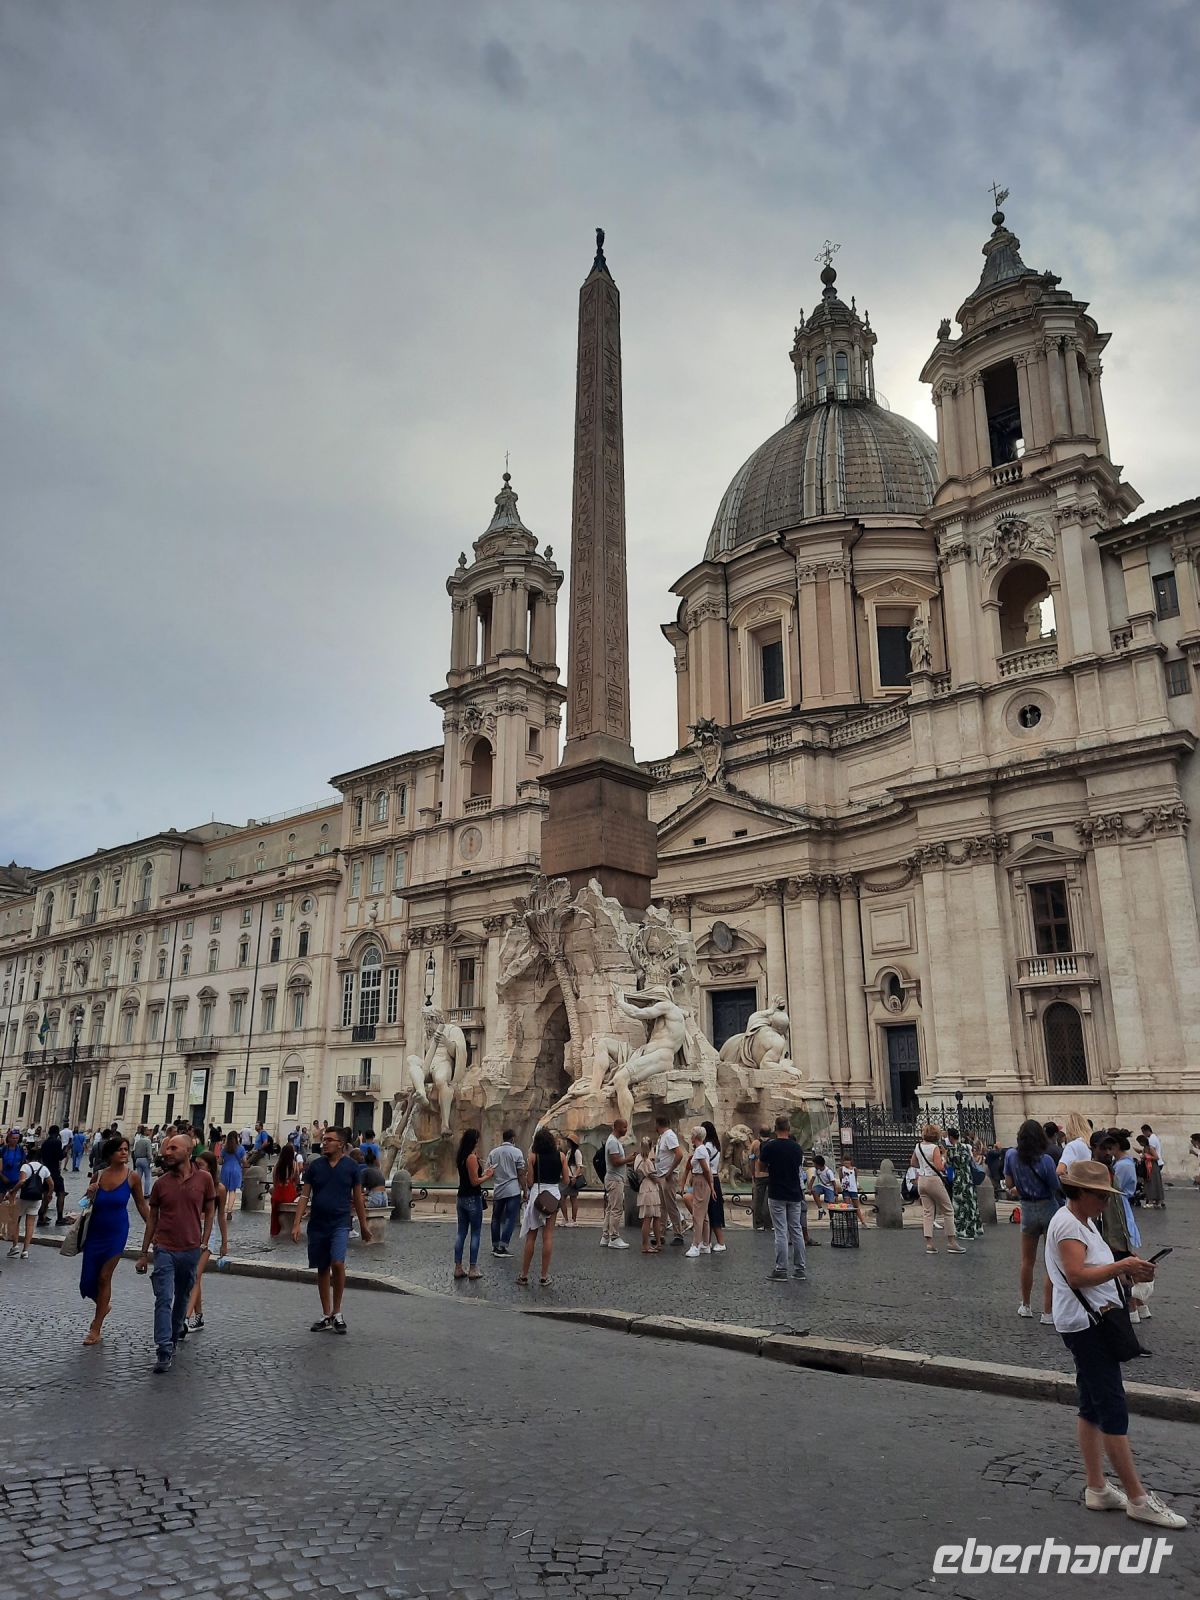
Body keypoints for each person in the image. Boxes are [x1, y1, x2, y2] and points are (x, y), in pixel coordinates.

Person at [1045, 1160, 1185, 1530]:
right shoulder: (1068, 1225)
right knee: (1111, 1406)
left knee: (1091, 1405)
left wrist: (1127, 1268)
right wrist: (1122, 1268)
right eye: (1100, 1196)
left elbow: (1091, 1271)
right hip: (1087, 1326)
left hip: (1087, 1320)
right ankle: (1138, 1498)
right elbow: (1076, 1274)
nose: (1106, 1203)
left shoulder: (1082, 1221)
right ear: (1081, 1192)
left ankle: (1097, 1487)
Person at [134, 1133, 216, 1374]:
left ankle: (173, 1333)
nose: (166, 1152)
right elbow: (152, 1220)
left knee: (181, 1298)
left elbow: (210, 1210)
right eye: (166, 1148)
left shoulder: (204, 1179)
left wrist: (204, 1240)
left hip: (190, 1249)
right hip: (164, 1248)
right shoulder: (161, 1184)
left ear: (188, 1152)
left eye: (172, 1148)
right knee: (163, 1298)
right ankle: (163, 1347)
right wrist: (144, 1252)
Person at [291, 1126, 372, 1333]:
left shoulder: (352, 1167)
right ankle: (326, 1314)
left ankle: (337, 1311)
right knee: (322, 1267)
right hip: (317, 1224)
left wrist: (363, 1225)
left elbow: (357, 1199)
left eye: (329, 1139)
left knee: (338, 1262)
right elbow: (304, 1196)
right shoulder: (315, 1166)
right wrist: (296, 1222)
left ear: (341, 1144)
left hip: (340, 1222)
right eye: (324, 1139)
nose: (324, 1142)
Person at [80, 1135, 151, 1345]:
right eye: (120, 1149)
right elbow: (85, 1203)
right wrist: (89, 1192)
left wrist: (153, 1227)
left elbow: (141, 1204)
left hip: (116, 1232)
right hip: (95, 1232)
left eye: (125, 1149)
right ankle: (104, 1304)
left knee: (104, 1277)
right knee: (87, 1283)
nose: (124, 1152)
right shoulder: (99, 1175)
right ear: (110, 1153)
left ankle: (96, 1327)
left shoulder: (133, 1177)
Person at [1004, 1118, 1060, 1321]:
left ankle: (1026, 1305)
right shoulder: (1046, 1161)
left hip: (1027, 1208)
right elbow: (1055, 1186)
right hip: (1048, 1207)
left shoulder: (1011, 1156)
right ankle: (1048, 1312)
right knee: (1051, 1261)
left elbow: (1009, 1183)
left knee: (1027, 1261)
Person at [183, 1149, 230, 1334]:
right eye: (196, 1164)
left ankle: (185, 1319)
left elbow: (221, 1217)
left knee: (195, 1275)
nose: (196, 1168)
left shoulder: (219, 1189)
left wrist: (224, 1242)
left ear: (210, 1167)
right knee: (195, 1276)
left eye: (201, 1165)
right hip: (191, 1230)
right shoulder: (193, 1183)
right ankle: (199, 1316)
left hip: (209, 1234)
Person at [758, 1115, 808, 1282]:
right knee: (796, 1230)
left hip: (777, 1192)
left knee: (781, 1232)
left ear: (775, 1128)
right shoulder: (797, 1148)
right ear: (788, 1129)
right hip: (795, 1193)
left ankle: (781, 1269)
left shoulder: (770, 1147)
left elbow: (761, 1167)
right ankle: (800, 1269)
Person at [516, 1125, 567, 1288]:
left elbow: (530, 1182)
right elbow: (565, 1181)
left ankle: (524, 1275)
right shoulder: (561, 1156)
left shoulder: (532, 1157)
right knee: (548, 1236)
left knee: (531, 1237)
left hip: (537, 1197)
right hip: (553, 1197)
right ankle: (544, 1276)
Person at [912, 1124, 965, 1257]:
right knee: (948, 1209)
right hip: (933, 1180)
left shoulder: (918, 1146)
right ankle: (951, 1242)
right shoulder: (934, 1147)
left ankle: (929, 1244)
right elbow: (940, 1167)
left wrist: (924, 1166)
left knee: (928, 1212)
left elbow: (913, 1163)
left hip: (922, 1180)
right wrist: (944, 1156)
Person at [453, 1128, 491, 1280]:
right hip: (472, 1199)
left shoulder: (461, 1157)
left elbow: (469, 1178)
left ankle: (458, 1267)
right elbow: (475, 1181)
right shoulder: (471, 1158)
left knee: (461, 1233)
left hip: (461, 1198)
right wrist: (488, 1176)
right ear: (474, 1140)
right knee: (475, 1233)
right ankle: (473, 1268)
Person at [5, 1148, 52, 1260]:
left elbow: (22, 1181)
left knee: (16, 1221)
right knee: (30, 1224)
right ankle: (25, 1251)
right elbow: (51, 1184)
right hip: (36, 1199)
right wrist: (49, 1194)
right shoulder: (44, 1168)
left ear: (28, 1156)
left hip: (23, 1198)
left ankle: (15, 1246)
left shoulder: (25, 1167)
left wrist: (12, 1191)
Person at [487, 1128, 527, 1257]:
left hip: (498, 1189)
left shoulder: (493, 1152)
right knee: (510, 1218)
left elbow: (488, 1170)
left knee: (496, 1218)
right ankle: (503, 1247)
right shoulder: (517, 1152)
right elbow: (521, 1173)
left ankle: (495, 1244)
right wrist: (525, 1190)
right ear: (513, 1138)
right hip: (512, 1190)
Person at [945, 1127, 983, 1241]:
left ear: (950, 1137)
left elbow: (949, 1166)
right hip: (968, 1177)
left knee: (960, 1206)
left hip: (959, 1179)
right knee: (971, 1204)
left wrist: (950, 1179)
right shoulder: (967, 1147)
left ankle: (963, 1231)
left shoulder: (951, 1150)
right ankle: (974, 1230)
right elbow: (971, 1161)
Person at [653, 1115, 686, 1246]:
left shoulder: (670, 1136)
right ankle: (660, 1234)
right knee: (662, 1207)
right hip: (662, 1175)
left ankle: (678, 1234)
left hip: (668, 1176)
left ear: (658, 1124)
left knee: (671, 1205)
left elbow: (679, 1154)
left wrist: (670, 1171)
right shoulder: (662, 1137)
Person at [682, 1128, 713, 1258]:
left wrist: (710, 1184)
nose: (690, 1136)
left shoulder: (700, 1150)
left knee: (697, 1214)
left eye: (692, 1134)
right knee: (703, 1215)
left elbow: (705, 1169)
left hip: (700, 1181)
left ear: (695, 1136)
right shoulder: (702, 1149)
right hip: (701, 1181)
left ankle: (695, 1245)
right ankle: (705, 1243)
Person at [600, 1118, 631, 1249]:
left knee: (610, 1208)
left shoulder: (614, 1141)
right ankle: (614, 1237)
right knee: (616, 1209)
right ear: (617, 1127)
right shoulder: (613, 1142)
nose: (626, 1129)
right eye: (624, 1127)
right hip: (615, 1179)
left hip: (614, 1178)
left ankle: (605, 1236)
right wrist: (629, 1159)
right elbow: (615, 1161)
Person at [700, 1120, 727, 1252]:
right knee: (711, 1210)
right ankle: (708, 1241)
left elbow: (704, 1165)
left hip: (709, 1179)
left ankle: (720, 1242)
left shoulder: (707, 1146)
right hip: (714, 1178)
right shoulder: (715, 1145)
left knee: (712, 1210)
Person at [36, 1125, 67, 1226]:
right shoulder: (57, 1142)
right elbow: (60, 1156)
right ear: (57, 1133)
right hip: (54, 1171)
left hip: (45, 1171)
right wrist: (65, 1151)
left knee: (46, 1193)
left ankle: (41, 1217)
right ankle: (60, 1218)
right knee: (61, 1193)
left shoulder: (45, 1143)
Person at [634, 1137, 661, 1253]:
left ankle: (657, 1243)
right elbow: (654, 1178)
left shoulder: (637, 1158)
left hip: (644, 1189)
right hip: (650, 1190)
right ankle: (645, 1245)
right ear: (650, 1147)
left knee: (653, 1217)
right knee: (649, 1218)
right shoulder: (647, 1162)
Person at [270, 1141, 300, 1236]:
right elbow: (297, 1181)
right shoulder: (294, 1165)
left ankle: (275, 1229)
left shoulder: (277, 1166)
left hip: (278, 1194)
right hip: (289, 1194)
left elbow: (274, 1182)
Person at [1137, 1127, 1165, 1209]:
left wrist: (1146, 1156)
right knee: (1150, 1184)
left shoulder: (1150, 1147)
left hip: (1152, 1167)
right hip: (1148, 1166)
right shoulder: (1145, 1148)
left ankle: (1153, 1201)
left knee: (1153, 1183)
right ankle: (1155, 1201)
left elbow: (1156, 1157)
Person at [219, 1132, 244, 1220]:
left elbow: (220, 1161)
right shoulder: (241, 1148)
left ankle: (222, 1209)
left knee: (224, 1190)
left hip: (226, 1169)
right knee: (232, 1190)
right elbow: (244, 1160)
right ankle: (229, 1210)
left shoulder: (224, 1148)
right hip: (236, 1169)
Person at [750, 1126, 771, 1231]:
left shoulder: (755, 1144)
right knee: (770, 1199)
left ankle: (759, 1223)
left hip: (759, 1175)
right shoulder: (773, 1143)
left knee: (758, 1200)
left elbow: (751, 1159)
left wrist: (752, 1173)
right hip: (770, 1175)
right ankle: (769, 1223)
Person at [561, 1135, 585, 1226]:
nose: (567, 1143)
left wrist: (575, 1176)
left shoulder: (576, 1152)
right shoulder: (569, 1151)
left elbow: (579, 1166)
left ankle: (573, 1220)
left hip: (572, 1178)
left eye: (568, 1141)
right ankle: (566, 1219)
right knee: (564, 1198)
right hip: (568, 1177)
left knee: (572, 1198)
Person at [838, 1156, 868, 1227]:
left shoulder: (854, 1169)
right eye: (845, 1161)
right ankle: (849, 1222)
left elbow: (855, 1179)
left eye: (848, 1161)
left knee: (856, 1206)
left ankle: (863, 1221)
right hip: (846, 1189)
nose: (846, 1162)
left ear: (851, 1161)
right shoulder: (841, 1169)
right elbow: (840, 1178)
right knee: (847, 1206)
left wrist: (857, 1186)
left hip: (853, 1189)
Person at [808, 1154, 838, 1219]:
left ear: (818, 1164)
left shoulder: (828, 1171)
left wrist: (835, 1192)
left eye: (814, 1164)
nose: (814, 1165)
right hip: (822, 1185)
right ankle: (820, 1209)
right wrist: (809, 1188)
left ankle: (831, 1218)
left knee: (831, 1204)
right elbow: (812, 1179)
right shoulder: (817, 1170)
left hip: (829, 1187)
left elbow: (833, 1182)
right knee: (814, 1191)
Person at [131, 1125, 155, 1195]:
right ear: (144, 1132)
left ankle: (136, 1192)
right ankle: (146, 1193)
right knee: (147, 1177)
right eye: (147, 1130)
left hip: (138, 1159)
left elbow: (135, 1151)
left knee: (138, 1177)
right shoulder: (147, 1141)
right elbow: (149, 1153)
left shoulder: (138, 1141)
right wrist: (151, 1160)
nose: (149, 1131)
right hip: (145, 1160)